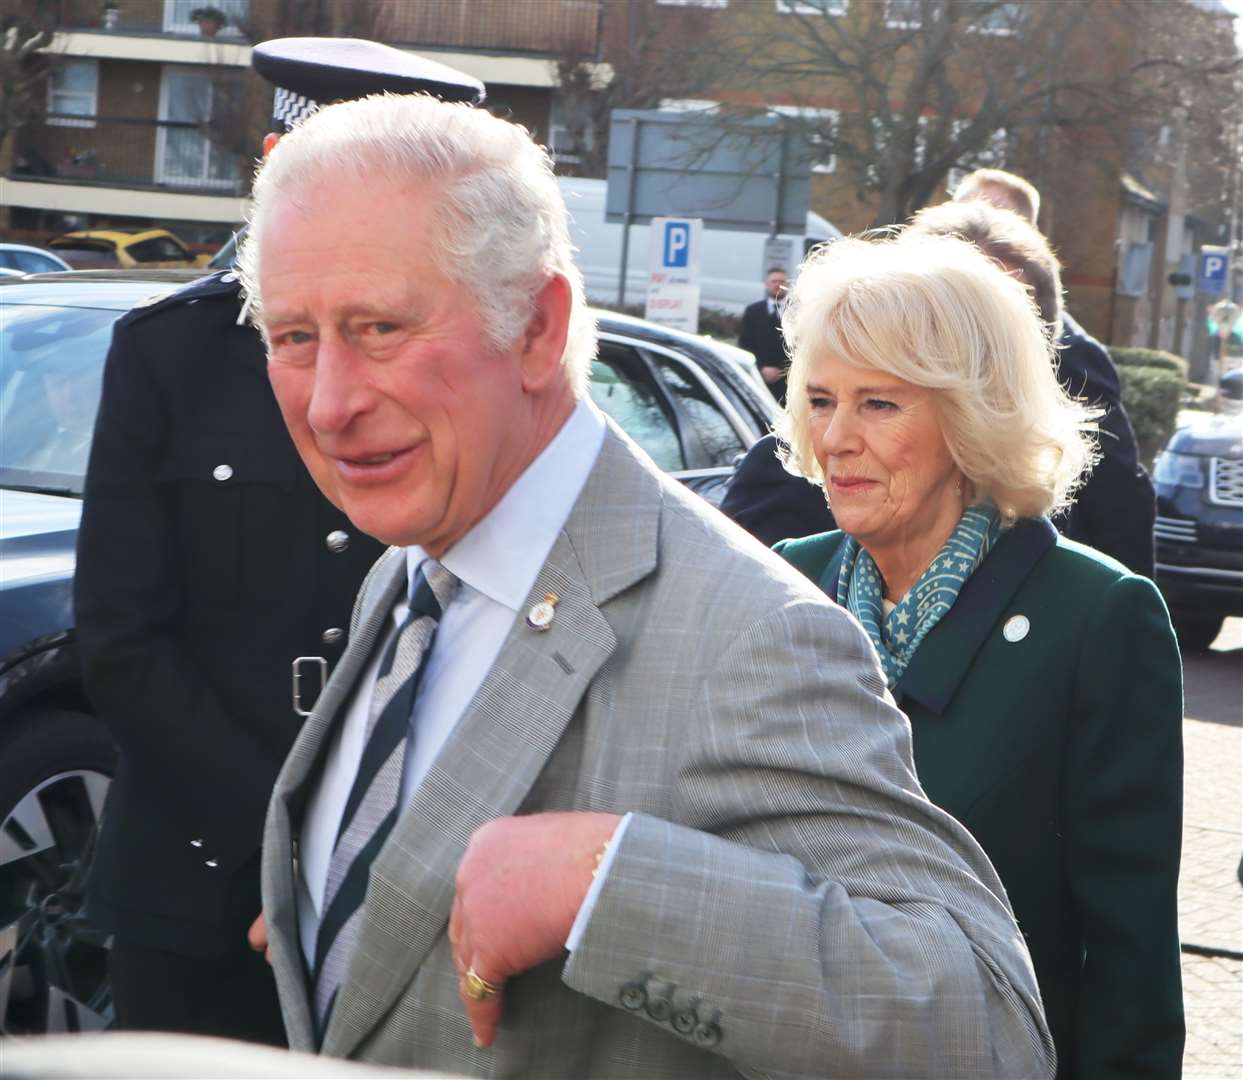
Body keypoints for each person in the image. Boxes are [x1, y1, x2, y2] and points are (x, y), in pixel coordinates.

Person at [242, 94, 1055, 1077]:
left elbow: (983, 1029)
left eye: (379, 327)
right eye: (292, 337)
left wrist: (608, 889)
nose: (329, 404)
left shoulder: (751, 632)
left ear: (540, 328)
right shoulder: (404, 577)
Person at [73, 39, 484, 1044]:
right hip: (196, 877)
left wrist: (366, 856)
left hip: (412, 890)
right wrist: (281, 851)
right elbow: (122, 636)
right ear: (270, 167)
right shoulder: (172, 352)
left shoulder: (470, 359)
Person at [773, 232, 1184, 1078]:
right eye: (819, 399)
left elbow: (1127, 956)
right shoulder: (780, 584)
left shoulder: (1095, 617)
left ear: (972, 414)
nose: (834, 438)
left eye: (878, 404)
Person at [951, 169, 1156, 577]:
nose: (976, 233)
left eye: (996, 216)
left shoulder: (1070, 353)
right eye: (966, 214)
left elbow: (1116, 496)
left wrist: (1121, 607)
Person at [738, 266, 789, 403]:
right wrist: (761, 368)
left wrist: (782, 370)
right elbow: (745, 344)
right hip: (758, 378)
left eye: (782, 281)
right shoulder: (753, 311)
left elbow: (802, 347)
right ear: (766, 284)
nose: (778, 285)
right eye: (774, 281)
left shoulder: (798, 311)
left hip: (788, 382)